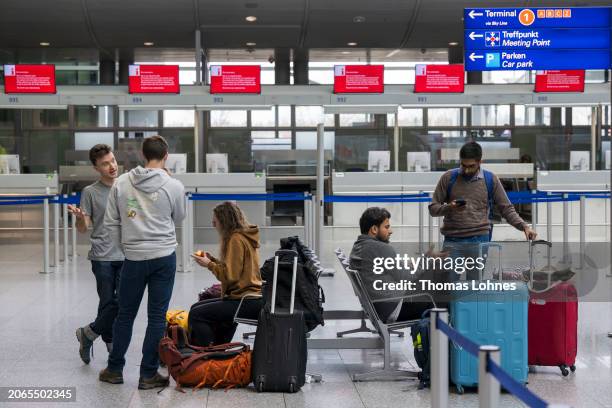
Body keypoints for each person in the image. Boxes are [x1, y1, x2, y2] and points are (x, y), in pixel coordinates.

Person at [99, 135, 185, 390]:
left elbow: (111, 222)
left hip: (133, 258)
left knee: (125, 315)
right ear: (166, 155)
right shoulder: (174, 185)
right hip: (163, 256)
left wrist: (125, 246)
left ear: (142, 155)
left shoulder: (122, 183)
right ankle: (148, 374)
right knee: (157, 317)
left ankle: (115, 369)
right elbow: (179, 216)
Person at [428, 141, 537, 279]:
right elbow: (433, 208)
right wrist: (450, 208)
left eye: (471, 166)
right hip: (453, 241)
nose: (466, 170)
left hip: (479, 241)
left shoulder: (490, 179)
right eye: (463, 165)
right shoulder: (449, 177)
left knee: (474, 286)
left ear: (480, 162)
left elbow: (506, 208)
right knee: (448, 285)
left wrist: (524, 226)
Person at [69, 144, 124, 364]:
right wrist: (81, 217)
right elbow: (83, 228)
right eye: (105, 164)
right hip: (102, 256)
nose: (111, 166)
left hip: (127, 254)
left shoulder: (126, 186)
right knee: (108, 301)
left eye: (112, 161)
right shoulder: (90, 192)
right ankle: (110, 343)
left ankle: (88, 334)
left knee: (119, 302)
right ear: (96, 167)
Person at [190, 202, 263, 346]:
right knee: (196, 308)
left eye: (215, 220)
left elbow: (231, 276)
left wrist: (209, 265)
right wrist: (213, 260)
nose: (213, 224)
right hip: (249, 297)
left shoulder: (236, 239)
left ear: (224, 221)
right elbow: (235, 269)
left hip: (244, 300)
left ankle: (208, 355)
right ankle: (217, 348)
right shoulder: (244, 236)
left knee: (196, 314)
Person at [349, 207, 437, 323]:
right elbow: (407, 278)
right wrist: (428, 260)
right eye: (386, 227)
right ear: (374, 229)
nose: (390, 231)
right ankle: (442, 340)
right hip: (392, 307)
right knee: (442, 303)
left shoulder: (358, 247)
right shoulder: (381, 248)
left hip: (378, 307)